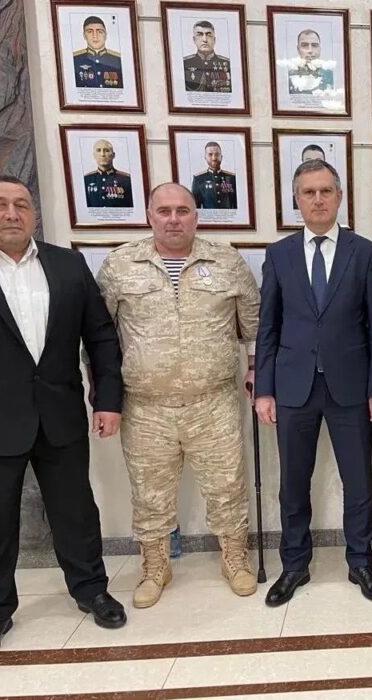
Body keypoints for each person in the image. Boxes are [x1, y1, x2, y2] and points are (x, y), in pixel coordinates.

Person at [0, 175, 126, 662]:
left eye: (21, 205)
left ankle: (92, 590)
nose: (12, 214)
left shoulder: (67, 265)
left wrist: (107, 399)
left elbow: (101, 336)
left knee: (76, 512)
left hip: (59, 414)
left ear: (34, 214)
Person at [94, 182, 259, 608]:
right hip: (145, 405)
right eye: (164, 211)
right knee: (149, 492)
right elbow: (99, 338)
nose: (173, 219)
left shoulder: (226, 262)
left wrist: (256, 368)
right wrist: (103, 398)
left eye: (182, 211)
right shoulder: (119, 266)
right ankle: (155, 565)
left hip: (213, 401)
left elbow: (254, 326)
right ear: (149, 215)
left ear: (195, 216)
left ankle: (235, 558)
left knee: (227, 485)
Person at [255, 159, 372, 605]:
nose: (317, 199)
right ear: (296, 200)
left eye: (325, 191)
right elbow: (268, 327)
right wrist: (264, 389)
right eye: (308, 192)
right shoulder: (279, 255)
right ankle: (294, 565)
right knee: (293, 484)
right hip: (293, 387)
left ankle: (361, 561)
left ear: (339, 197)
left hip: (350, 387)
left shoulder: (364, 253)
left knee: (359, 482)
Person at [73, 16, 123, 89]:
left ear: (105, 35)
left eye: (100, 31)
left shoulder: (118, 59)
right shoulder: (75, 60)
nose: (95, 36)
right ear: (84, 35)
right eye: (90, 32)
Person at [183, 20, 231, 93]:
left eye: (209, 35)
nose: (205, 40)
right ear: (194, 40)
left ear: (214, 40)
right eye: (199, 35)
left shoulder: (227, 63)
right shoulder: (185, 63)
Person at [84, 139, 133, 208]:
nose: (102, 154)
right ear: (94, 155)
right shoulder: (86, 180)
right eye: (98, 150)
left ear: (113, 155)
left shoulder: (126, 180)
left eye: (106, 150)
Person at [190, 142, 238, 210]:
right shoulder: (198, 179)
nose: (214, 158)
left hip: (229, 216)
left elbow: (237, 206)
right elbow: (195, 208)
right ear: (205, 157)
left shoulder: (232, 178)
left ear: (221, 157)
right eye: (210, 154)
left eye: (217, 154)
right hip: (208, 216)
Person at [288, 29, 333, 94]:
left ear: (320, 49)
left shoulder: (330, 76)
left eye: (314, 45)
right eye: (304, 45)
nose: (310, 50)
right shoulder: (289, 77)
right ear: (298, 49)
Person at [292, 145, 327, 211]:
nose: (313, 165)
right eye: (308, 161)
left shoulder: (332, 183)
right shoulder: (295, 186)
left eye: (318, 161)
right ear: (302, 162)